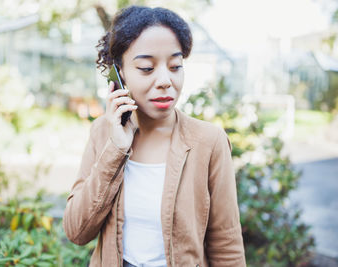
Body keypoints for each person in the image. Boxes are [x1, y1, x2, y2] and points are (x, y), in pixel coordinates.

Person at [63, 5, 246, 267]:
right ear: (120, 73)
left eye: (175, 66)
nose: (165, 80)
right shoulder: (103, 132)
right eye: (147, 68)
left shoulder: (209, 141)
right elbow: (77, 231)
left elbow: (226, 243)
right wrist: (115, 149)